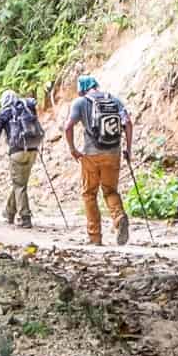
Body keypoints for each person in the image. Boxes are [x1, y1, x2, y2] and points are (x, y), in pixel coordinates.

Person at [63, 75, 132, 245]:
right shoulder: (113, 99)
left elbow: (68, 126)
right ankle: (119, 217)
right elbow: (128, 123)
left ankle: (95, 237)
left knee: (89, 194)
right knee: (110, 191)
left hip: (91, 155)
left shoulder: (80, 103)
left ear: (82, 88)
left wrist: (72, 148)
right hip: (113, 153)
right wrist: (128, 149)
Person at [0, 89, 44, 227]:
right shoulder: (27, 108)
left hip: (17, 152)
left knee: (19, 185)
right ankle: (9, 212)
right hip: (33, 149)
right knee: (20, 183)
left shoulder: (4, 113)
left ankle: (25, 217)